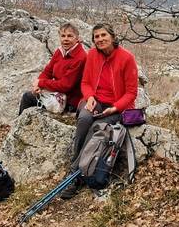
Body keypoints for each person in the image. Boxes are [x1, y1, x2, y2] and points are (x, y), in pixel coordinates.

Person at [60, 22, 139, 199]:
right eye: (96, 36)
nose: (100, 39)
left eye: (104, 35)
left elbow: (131, 93)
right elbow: (85, 83)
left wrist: (115, 108)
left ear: (112, 36)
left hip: (117, 106)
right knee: (84, 120)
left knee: (98, 127)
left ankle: (75, 174)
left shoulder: (127, 58)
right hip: (94, 101)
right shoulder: (92, 55)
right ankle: (77, 167)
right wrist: (89, 98)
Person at [18, 23, 86, 115]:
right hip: (58, 93)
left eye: (70, 36)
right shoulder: (60, 51)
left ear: (77, 38)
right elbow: (48, 71)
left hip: (70, 101)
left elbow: (65, 85)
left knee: (27, 97)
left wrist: (41, 83)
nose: (65, 39)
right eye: (63, 36)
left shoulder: (80, 57)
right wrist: (38, 85)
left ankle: (22, 126)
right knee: (31, 95)